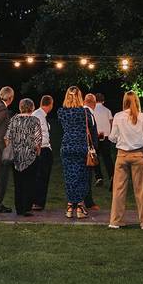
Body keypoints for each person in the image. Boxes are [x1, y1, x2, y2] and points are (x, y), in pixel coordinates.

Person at [108, 91, 143, 229]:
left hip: (122, 155)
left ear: (124, 101)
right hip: (138, 155)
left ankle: (115, 221)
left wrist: (119, 137)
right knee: (142, 190)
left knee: (118, 190)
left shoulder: (118, 116)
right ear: (137, 101)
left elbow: (112, 138)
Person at [57, 86, 95, 219]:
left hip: (67, 145)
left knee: (69, 177)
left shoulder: (61, 112)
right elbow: (90, 125)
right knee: (81, 176)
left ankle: (69, 206)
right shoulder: (85, 112)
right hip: (81, 146)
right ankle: (79, 206)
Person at [4, 98, 42, 216]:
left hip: (16, 157)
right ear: (32, 107)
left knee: (18, 183)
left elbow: (7, 137)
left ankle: (19, 208)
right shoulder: (35, 120)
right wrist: (38, 152)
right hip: (30, 156)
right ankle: (26, 207)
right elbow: (38, 140)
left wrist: (12, 148)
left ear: (21, 107)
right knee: (30, 182)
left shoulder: (14, 119)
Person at [32, 95, 54, 210]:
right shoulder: (38, 115)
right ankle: (37, 202)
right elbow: (40, 135)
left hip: (44, 149)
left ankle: (38, 201)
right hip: (41, 150)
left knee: (42, 177)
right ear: (50, 104)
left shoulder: (40, 115)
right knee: (41, 177)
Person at [82, 94, 101, 210]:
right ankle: (88, 202)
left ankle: (79, 201)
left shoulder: (81, 112)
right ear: (94, 104)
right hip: (87, 149)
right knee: (87, 176)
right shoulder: (88, 114)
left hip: (81, 148)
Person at [92, 92, 114, 186]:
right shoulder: (107, 111)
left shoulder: (91, 111)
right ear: (103, 101)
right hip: (105, 137)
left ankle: (99, 177)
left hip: (95, 137)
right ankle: (112, 176)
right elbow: (111, 123)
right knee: (107, 157)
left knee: (95, 157)